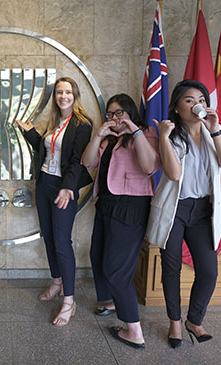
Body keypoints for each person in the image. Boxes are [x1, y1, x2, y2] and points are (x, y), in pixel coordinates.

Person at [147, 79, 221, 348]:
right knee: (171, 268)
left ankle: (194, 320)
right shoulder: (171, 135)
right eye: (189, 100)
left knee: (208, 271)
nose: (197, 104)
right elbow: (174, 174)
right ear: (177, 107)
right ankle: (175, 322)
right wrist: (163, 136)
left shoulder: (215, 132)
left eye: (201, 100)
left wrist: (216, 130)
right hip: (175, 208)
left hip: (203, 210)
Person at [82, 94, 160, 349]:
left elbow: (150, 167)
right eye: (111, 114)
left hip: (130, 206)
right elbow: (87, 162)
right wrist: (98, 134)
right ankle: (114, 300)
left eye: (119, 113)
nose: (115, 118)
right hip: (106, 203)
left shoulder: (145, 133)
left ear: (129, 112)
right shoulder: (107, 139)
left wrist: (134, 130)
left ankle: (134, 330)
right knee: (98, 255)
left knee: (117, 269)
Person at [16, 76, 93, 326]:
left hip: (63, 188)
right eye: (59, 92)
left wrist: (68, 188)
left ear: (75, 95)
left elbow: (75, 160)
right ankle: (57, 282)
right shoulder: (54, 121)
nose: (63, 96)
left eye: (68, 92)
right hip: (45, 185)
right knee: (48, 237)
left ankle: (69, 301)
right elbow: (45, 149)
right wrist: (30, 133)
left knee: (62, 242)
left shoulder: (82, 124)